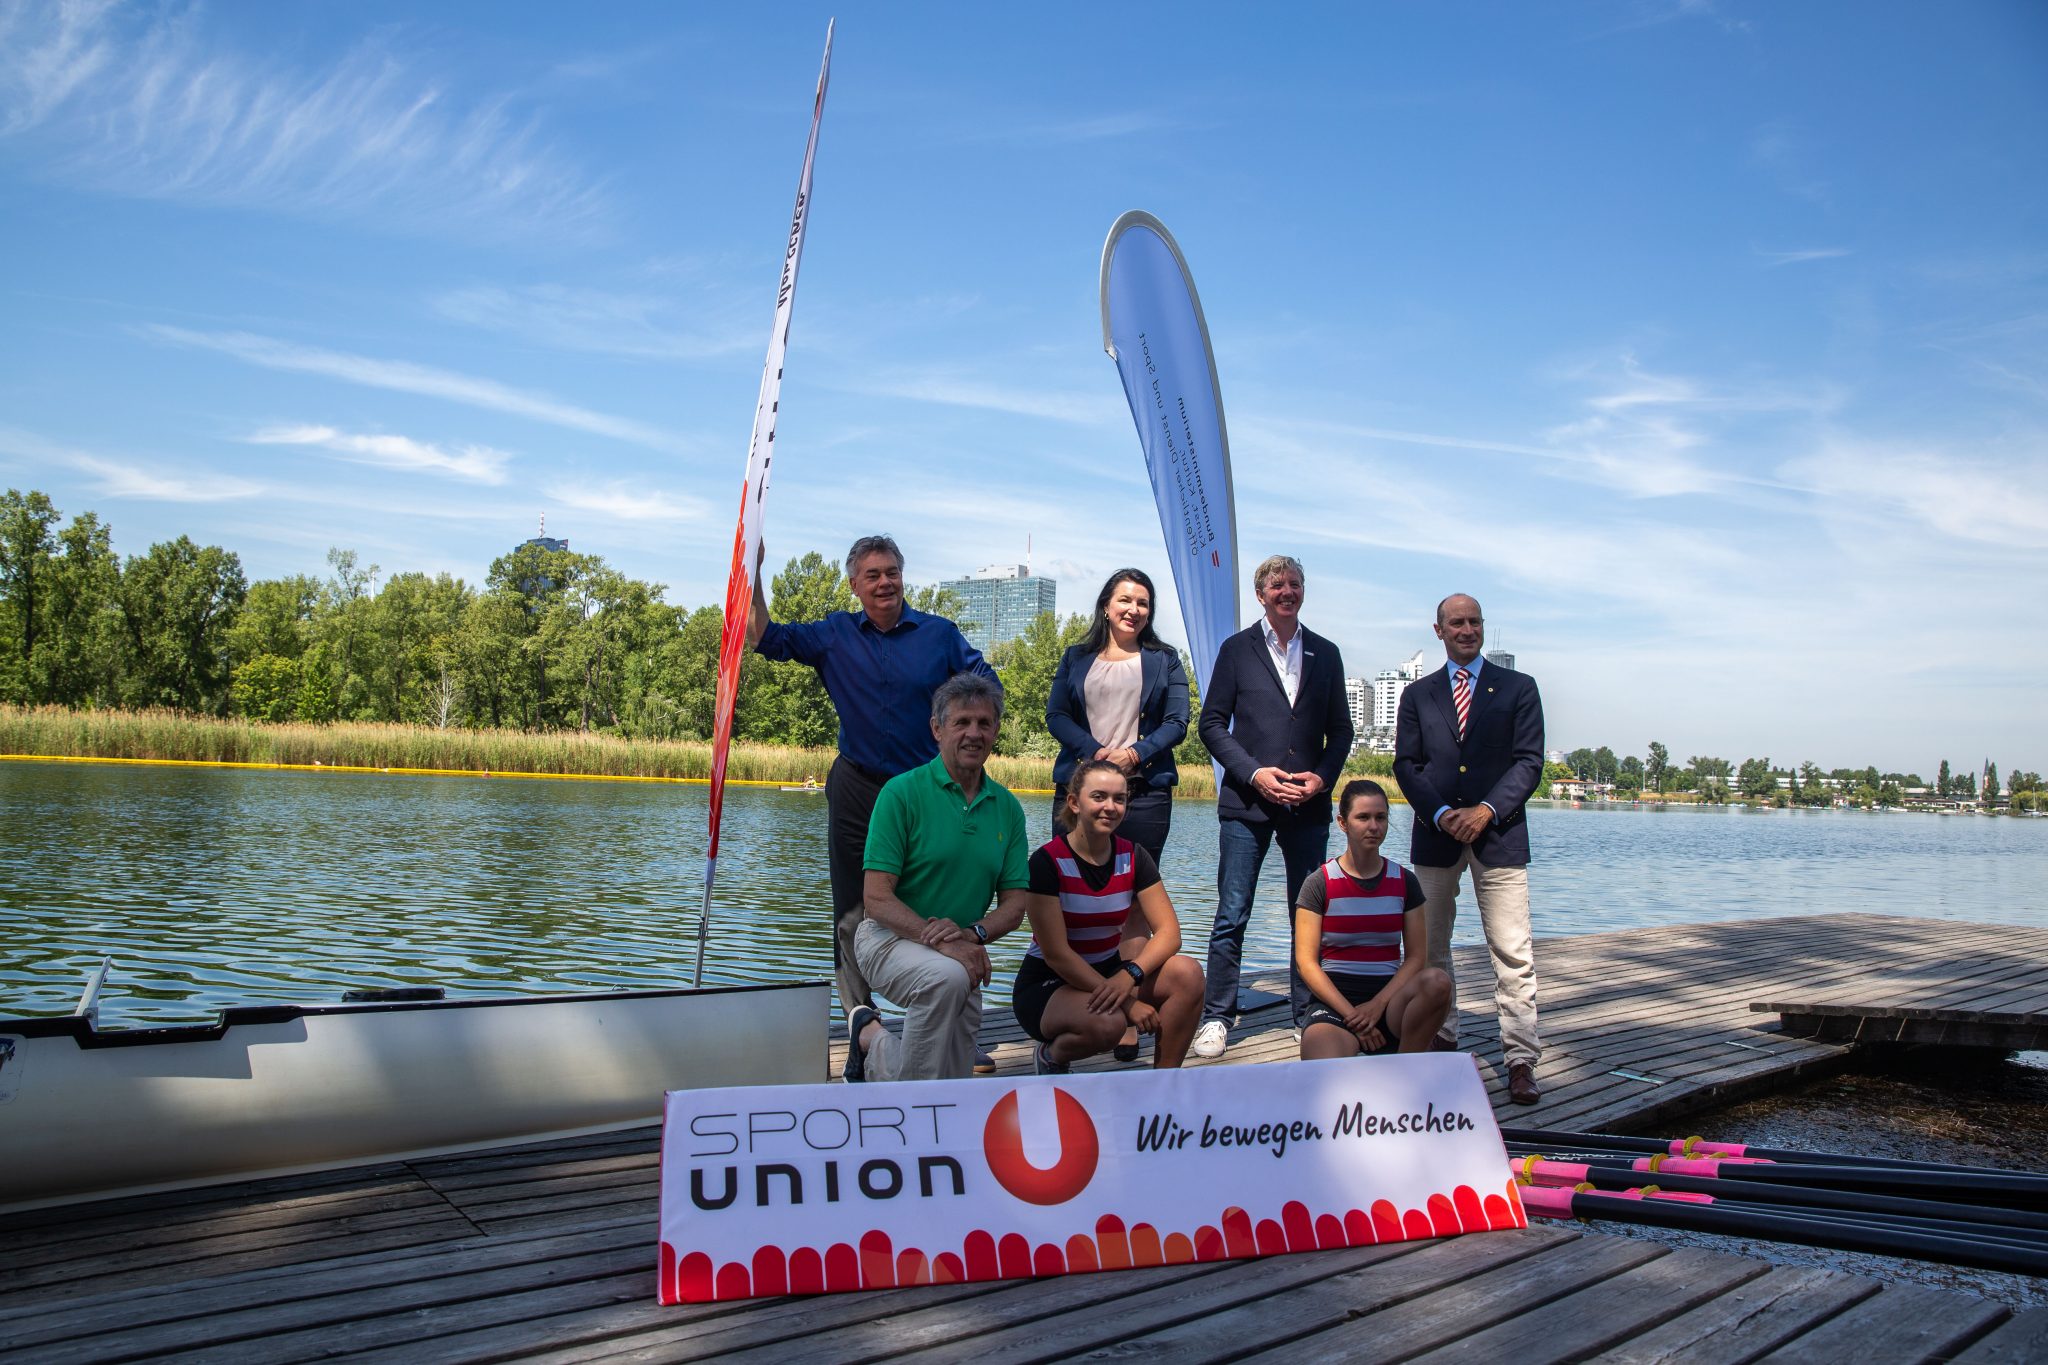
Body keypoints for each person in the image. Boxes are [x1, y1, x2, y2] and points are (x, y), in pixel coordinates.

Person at [750, 535, 1002, 1068]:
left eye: (892, 572)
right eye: (873, 575)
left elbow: (987, 684)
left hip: (923, 790)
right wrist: (750, 573)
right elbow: (762, 636)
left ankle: (950, 1028)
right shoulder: (835, 634)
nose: (884, 582)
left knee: (936, 901)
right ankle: (862, 1026)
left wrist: (958, 727)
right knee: (851, 910)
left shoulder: (939, 634)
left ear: (902, 577)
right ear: (854, 585)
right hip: (858, 788)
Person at [1193, 554, 1354, 1057]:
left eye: (1296, 584)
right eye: (1278, 585)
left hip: (1306, 808)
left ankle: (1307, 1015)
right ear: (1261, 594)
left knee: (1305, 914)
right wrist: (1253, 773)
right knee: (1231, 913)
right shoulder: (1236, 650)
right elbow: (1212, 724)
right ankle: (1218, 1015)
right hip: (1247, 804)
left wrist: (1322, 780)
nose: (1288, 591)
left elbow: (1342, 731)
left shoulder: (1326, 653)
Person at [1394, 593, 1546, 1104]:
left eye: (1474, 621)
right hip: (1436, 837)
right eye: (1456, 623)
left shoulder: (1519, 689)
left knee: (1513, 952)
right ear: (1438, 631)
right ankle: (1444, 1035)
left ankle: (1521, 1057)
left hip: (1499, 836)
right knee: (1431, 949)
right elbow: (1406, 767)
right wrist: (1441, 813)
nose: (1467, 630)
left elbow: (1528, 763)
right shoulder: (1417, 695)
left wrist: (1485, 810)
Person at [843, 674, 1029, 1083]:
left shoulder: (1008, 809)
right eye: (961, 722)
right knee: (946, 980)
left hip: (962, 947)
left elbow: (1016, 907)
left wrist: (969, 935)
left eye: (984, 723)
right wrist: (943, 939)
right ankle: (913, 1110)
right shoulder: (901, 793)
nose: (973, 733)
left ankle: (872, 1044)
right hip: (886, 937)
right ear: (936, 729)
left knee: (957, 1072)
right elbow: (875, 899)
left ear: (996, 731)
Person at [1044, 567, 1189, 1060]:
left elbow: (1178, 721)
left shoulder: (1165, 660)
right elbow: (1056, 715)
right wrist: (1094, 752)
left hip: (1144, 791)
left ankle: (1126, 1007)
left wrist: (1136, 754)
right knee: (1076, 898)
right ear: (1106, 605)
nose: (1134, 610)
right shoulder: (1076, 657)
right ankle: (1077, 996)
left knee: (1132, 905)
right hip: (1081, 786)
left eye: (1143, 603)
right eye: (1125, 600)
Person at [1014, 759, 1206, 1073]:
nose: (1110, 807)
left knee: (1188, 974)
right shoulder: (1046, 862)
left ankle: (1166, 1083)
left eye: (1119, 799)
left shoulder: (1134, 856)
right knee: (1109, 1025)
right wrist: (1127, 1002)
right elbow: (1057, 955)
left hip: (1110, 974)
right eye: (1099, 797)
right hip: (1049, 984)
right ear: (1075, 802)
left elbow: (1170, 933)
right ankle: (1052, 1056)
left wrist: (1128, 976)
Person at [1294, 780, 1453, 1061]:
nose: (1373, 826)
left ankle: (1405, 1069)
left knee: (1438, 982)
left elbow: (1416, 957)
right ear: (1343, 823)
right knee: (1321, 1076)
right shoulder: (1319, 883)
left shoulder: (1405, 881)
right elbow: (1306, 963)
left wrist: (1378, 1005)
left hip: (1389, 1003)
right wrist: (1352, 1015)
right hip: (1335, 1003)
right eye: (1363, 817)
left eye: (1381, 817)